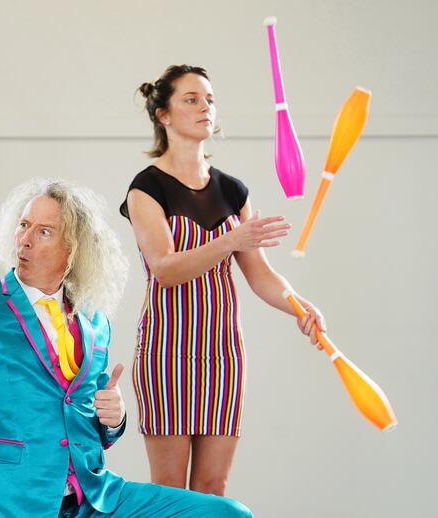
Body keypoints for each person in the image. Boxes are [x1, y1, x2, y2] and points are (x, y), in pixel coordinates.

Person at [0, 179, 253, 517]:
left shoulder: (95, 321)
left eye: (44, 231)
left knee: (227, 513)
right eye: (24, 225)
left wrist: (114, 418)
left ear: (72, 249)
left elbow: (88, 426)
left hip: (95, 498)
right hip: (8, 502)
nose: (25, 239)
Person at [121, 65, 326, 496]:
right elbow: (165, 268)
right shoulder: (146, 188)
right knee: (170, 489)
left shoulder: (233, 191)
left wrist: (301, 308)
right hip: (167, 350)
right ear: (163, 115)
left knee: (213, 486)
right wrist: (231, 238)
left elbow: (262, 276)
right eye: (191, 99)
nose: (204, 108)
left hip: (223, 353)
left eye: (210, 100)